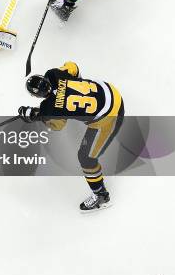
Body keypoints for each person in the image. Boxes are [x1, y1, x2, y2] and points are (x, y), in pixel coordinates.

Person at [18, 62, 124, 212]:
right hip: (111, 92)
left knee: (86, 159)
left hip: (110, 117)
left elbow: (57, 126)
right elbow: (73, 67)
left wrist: (36, 115)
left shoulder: (49, 109)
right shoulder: (54, 74)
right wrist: (75, 86)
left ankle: (101, 195)